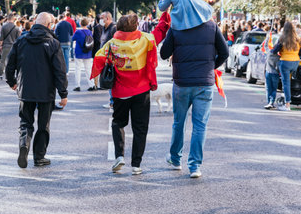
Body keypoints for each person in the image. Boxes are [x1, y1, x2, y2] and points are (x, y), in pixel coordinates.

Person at [91, 13, 170, 175]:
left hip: (120, 92)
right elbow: (161, 30)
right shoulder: (146, 40)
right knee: (140, 128)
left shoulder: (112, 44)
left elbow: (99, 57)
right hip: (141, 91)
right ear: (136, 26)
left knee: (118, 122)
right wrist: (166, 11)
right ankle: (136, 164)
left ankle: (119, 155)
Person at [160, 11, 229, 178]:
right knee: (200, 125)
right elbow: (225, 52)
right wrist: (211, 66)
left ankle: (176, 159)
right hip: (204, 83)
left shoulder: (176, 27)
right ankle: (195, 166)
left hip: (182, 83)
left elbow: (163, 54)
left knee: (179, 122)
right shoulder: (211, 26)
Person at [5, 12, 68, 168]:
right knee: (43, 125)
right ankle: (39, 157)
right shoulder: (53, 43)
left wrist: (12, 82)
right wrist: (63, 93)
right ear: (48, 25)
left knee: (25, 122)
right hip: (46, 91)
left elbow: (9, 63)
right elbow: (59, 70)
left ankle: (24, 146)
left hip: (25, 89)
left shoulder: (21, 40)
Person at [271, 21, 301, 111]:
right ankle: (289, 97)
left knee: (286, 83)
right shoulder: (298, 38)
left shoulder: (282, 38)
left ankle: (287, 104)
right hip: (295, 62)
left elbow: (274, 50)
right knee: (290, 80)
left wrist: (274, 50)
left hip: (285, 62)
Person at [72, 17, 96, 91]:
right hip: (88, 52)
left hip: (79, 52)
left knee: (78, 69)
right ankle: (92, 85)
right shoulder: (89, 32)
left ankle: (77, 86)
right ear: (87, 23)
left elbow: (73, 39)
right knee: (88, 69)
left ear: (80, 23)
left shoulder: (78, 32)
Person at [99, 11, 116, 109]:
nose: (100, 20)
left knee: (111, 80)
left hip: (111, 60)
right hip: (105, 58)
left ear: (108, 18)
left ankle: (112, 101)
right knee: (109, 81)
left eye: (102, 18)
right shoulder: (104, 28)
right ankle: (112, 101)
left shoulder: (113, 28)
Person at [0, 13, 20, 80]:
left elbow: (1, 39)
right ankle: (12, 75)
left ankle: (1, 75)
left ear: (7, 18)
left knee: (2, 60)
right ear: (13, 19)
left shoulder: (4, 27)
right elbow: (18, 39)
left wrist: (1, 46)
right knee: (13, 62)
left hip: (5, 45)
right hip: (13, 46)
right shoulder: (16, 28)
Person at [264, 35, 281, 110]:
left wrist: (268, 37)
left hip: (268, 72)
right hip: (275, 73)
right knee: (274, 88)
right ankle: (271, 101)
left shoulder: (268, 52)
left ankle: (269, 102)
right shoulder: (278, 56)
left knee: (268, 88)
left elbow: (265, 45)